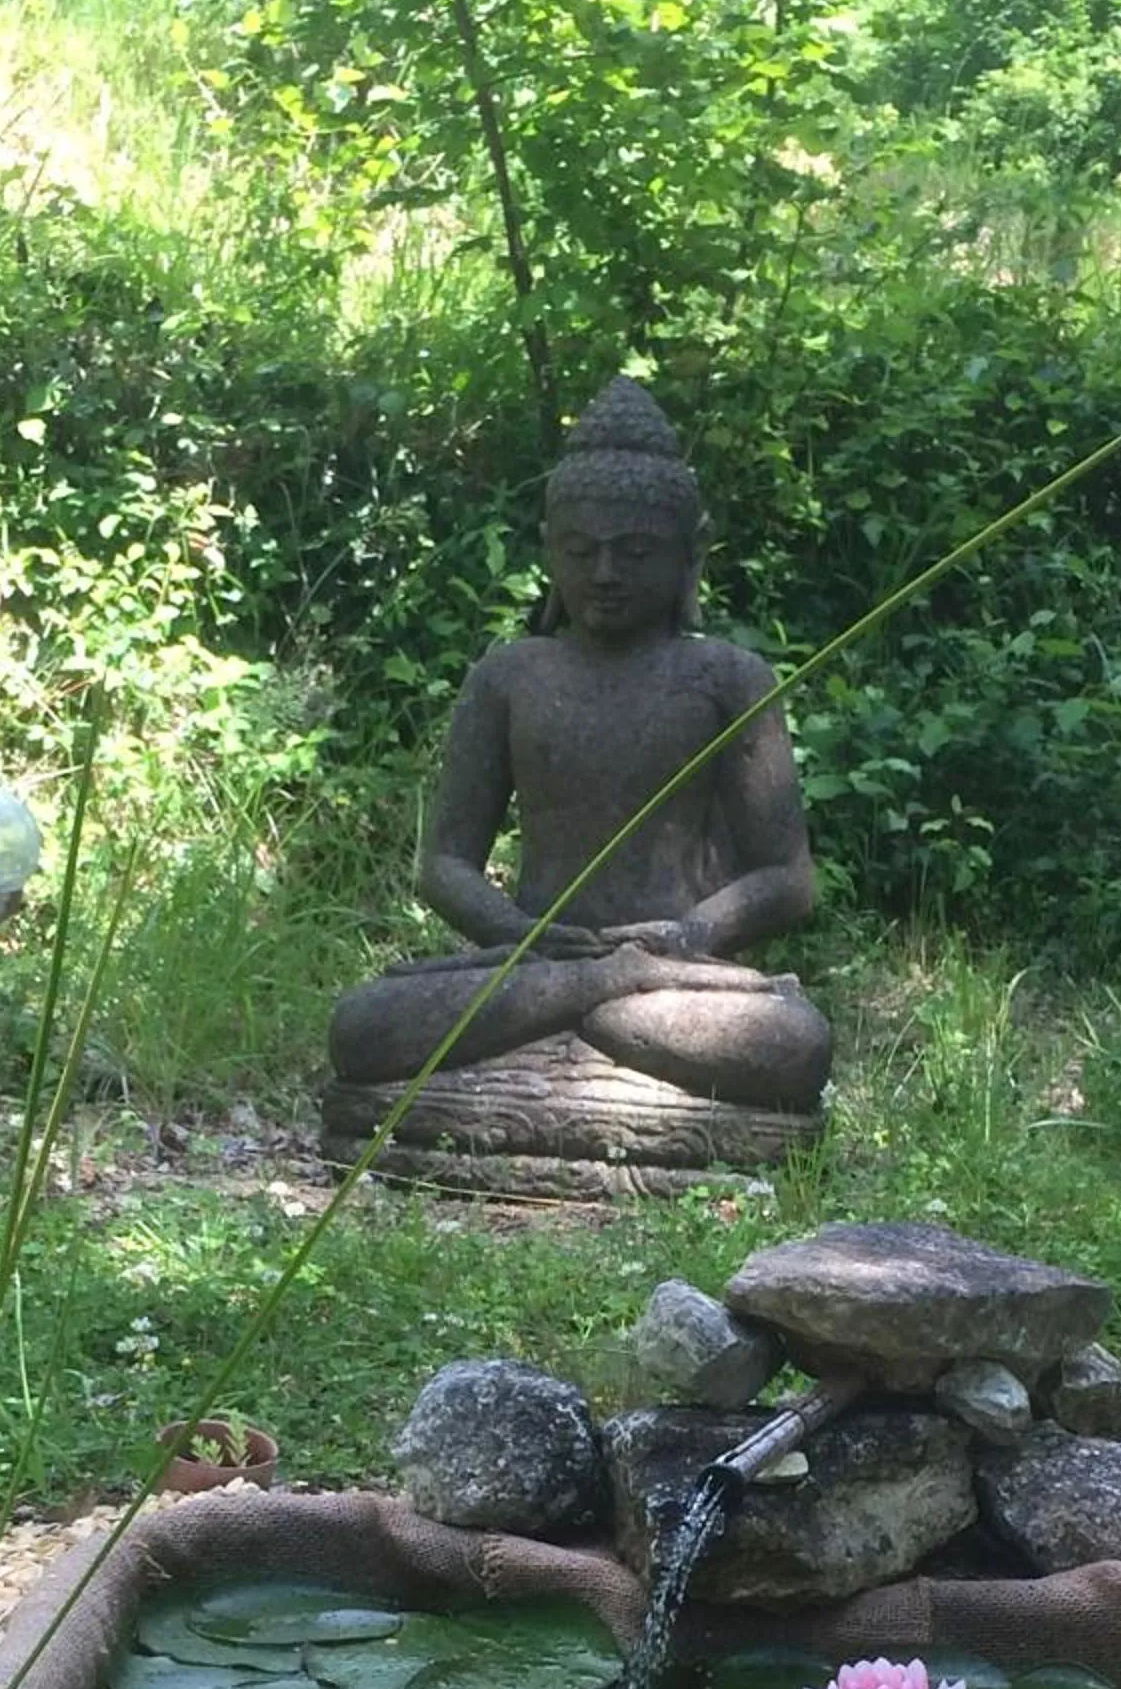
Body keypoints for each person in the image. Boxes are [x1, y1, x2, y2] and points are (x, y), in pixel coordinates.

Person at [323, 377, 832, 1150]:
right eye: (579, 551)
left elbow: (789, 879)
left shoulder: (729, 678)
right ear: (549, 549)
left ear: (690, 554)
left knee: (796, 1043)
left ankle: (578, 1009)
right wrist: (524, 936)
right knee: (358, 1028)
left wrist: (686, 935)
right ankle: (589, 997)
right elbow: (444, 865)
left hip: (671, 981)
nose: (602, 575)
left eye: (633, 553)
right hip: (535, 962)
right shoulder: (510, 674)